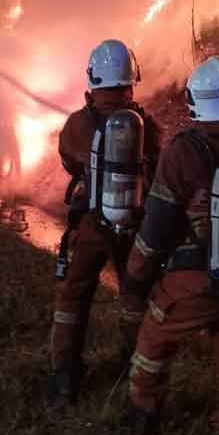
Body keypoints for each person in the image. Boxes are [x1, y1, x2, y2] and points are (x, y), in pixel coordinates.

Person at [119, 55, 219, 435]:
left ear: (196, 101)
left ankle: (142, 415)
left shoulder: (186, 150)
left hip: (194, 278)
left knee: (153, 341)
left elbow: (159, 225)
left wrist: (136, 275)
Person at [45, 39, 162, 408]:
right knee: (134, 296)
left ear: (93, 78)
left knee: (73, 296)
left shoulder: (77, 124)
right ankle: (134, 365)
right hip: (135, 228)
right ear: (132, 79)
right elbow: (159, 170)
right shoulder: (148, 125)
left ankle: (65, 375)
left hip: (93, 225)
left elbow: (69, 160)